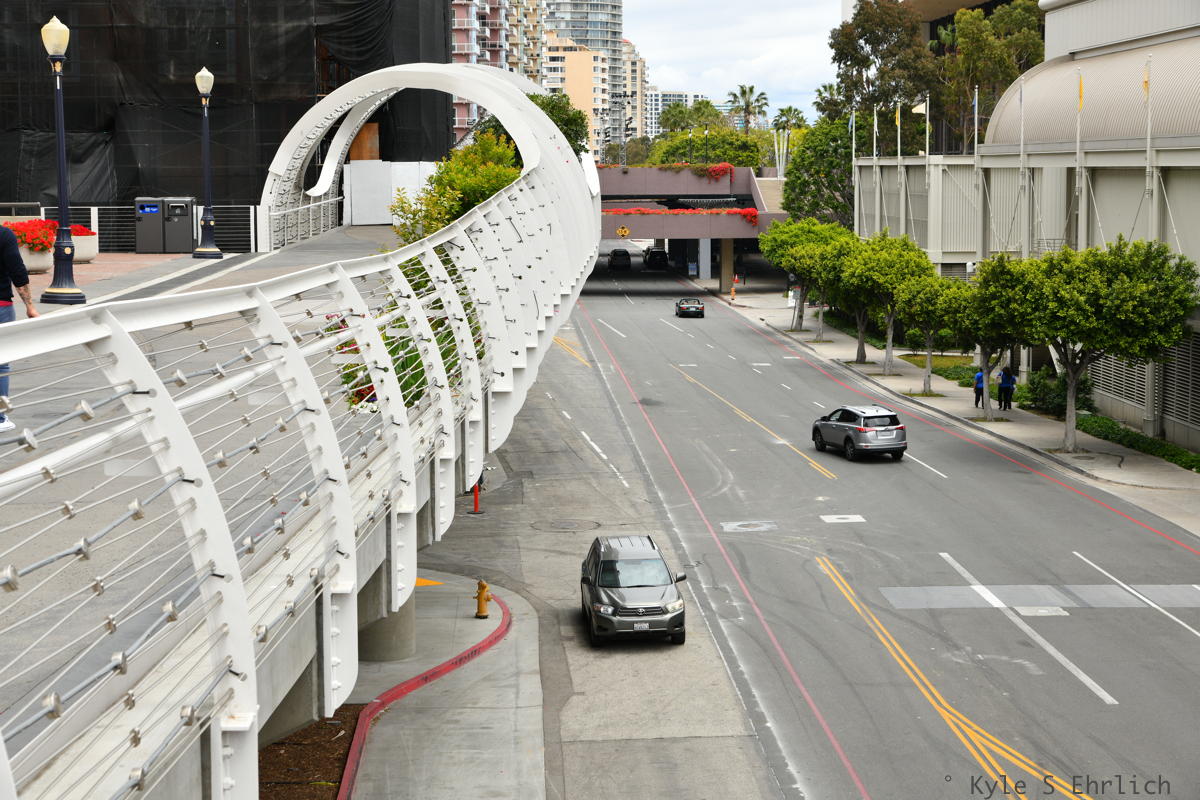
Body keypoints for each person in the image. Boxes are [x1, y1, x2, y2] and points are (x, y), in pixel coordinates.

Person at [0, 224, 40, 432]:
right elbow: (17, 271)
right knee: (1, 363)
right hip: (1, 307)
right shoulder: (3, 234)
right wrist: (30, 306)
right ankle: (0, 418)